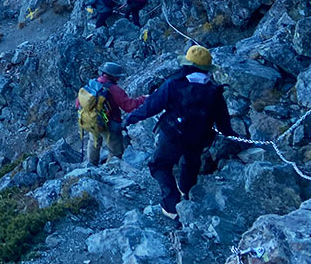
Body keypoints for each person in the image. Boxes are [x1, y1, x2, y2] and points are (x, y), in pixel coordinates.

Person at [123, 45, 236, 222]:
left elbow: (150, 107)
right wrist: (237, 140)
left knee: (159, 166)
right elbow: (224, 124)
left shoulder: (173, 84)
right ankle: (186, 191)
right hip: (200, 137)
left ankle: (171, 206)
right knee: (191, 162)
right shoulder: (214, 91)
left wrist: (129, 119)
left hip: (172, 135)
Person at [76, 61, 147, 166]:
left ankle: (91, 165)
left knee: (94, 142)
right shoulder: (114, 89)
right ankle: (110, 168)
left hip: (91, 120)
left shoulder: (93, 84)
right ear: (114, 76)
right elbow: (128, 106)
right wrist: (143, 99)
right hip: (109, 122)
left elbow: (78, 104)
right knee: (115, 150)